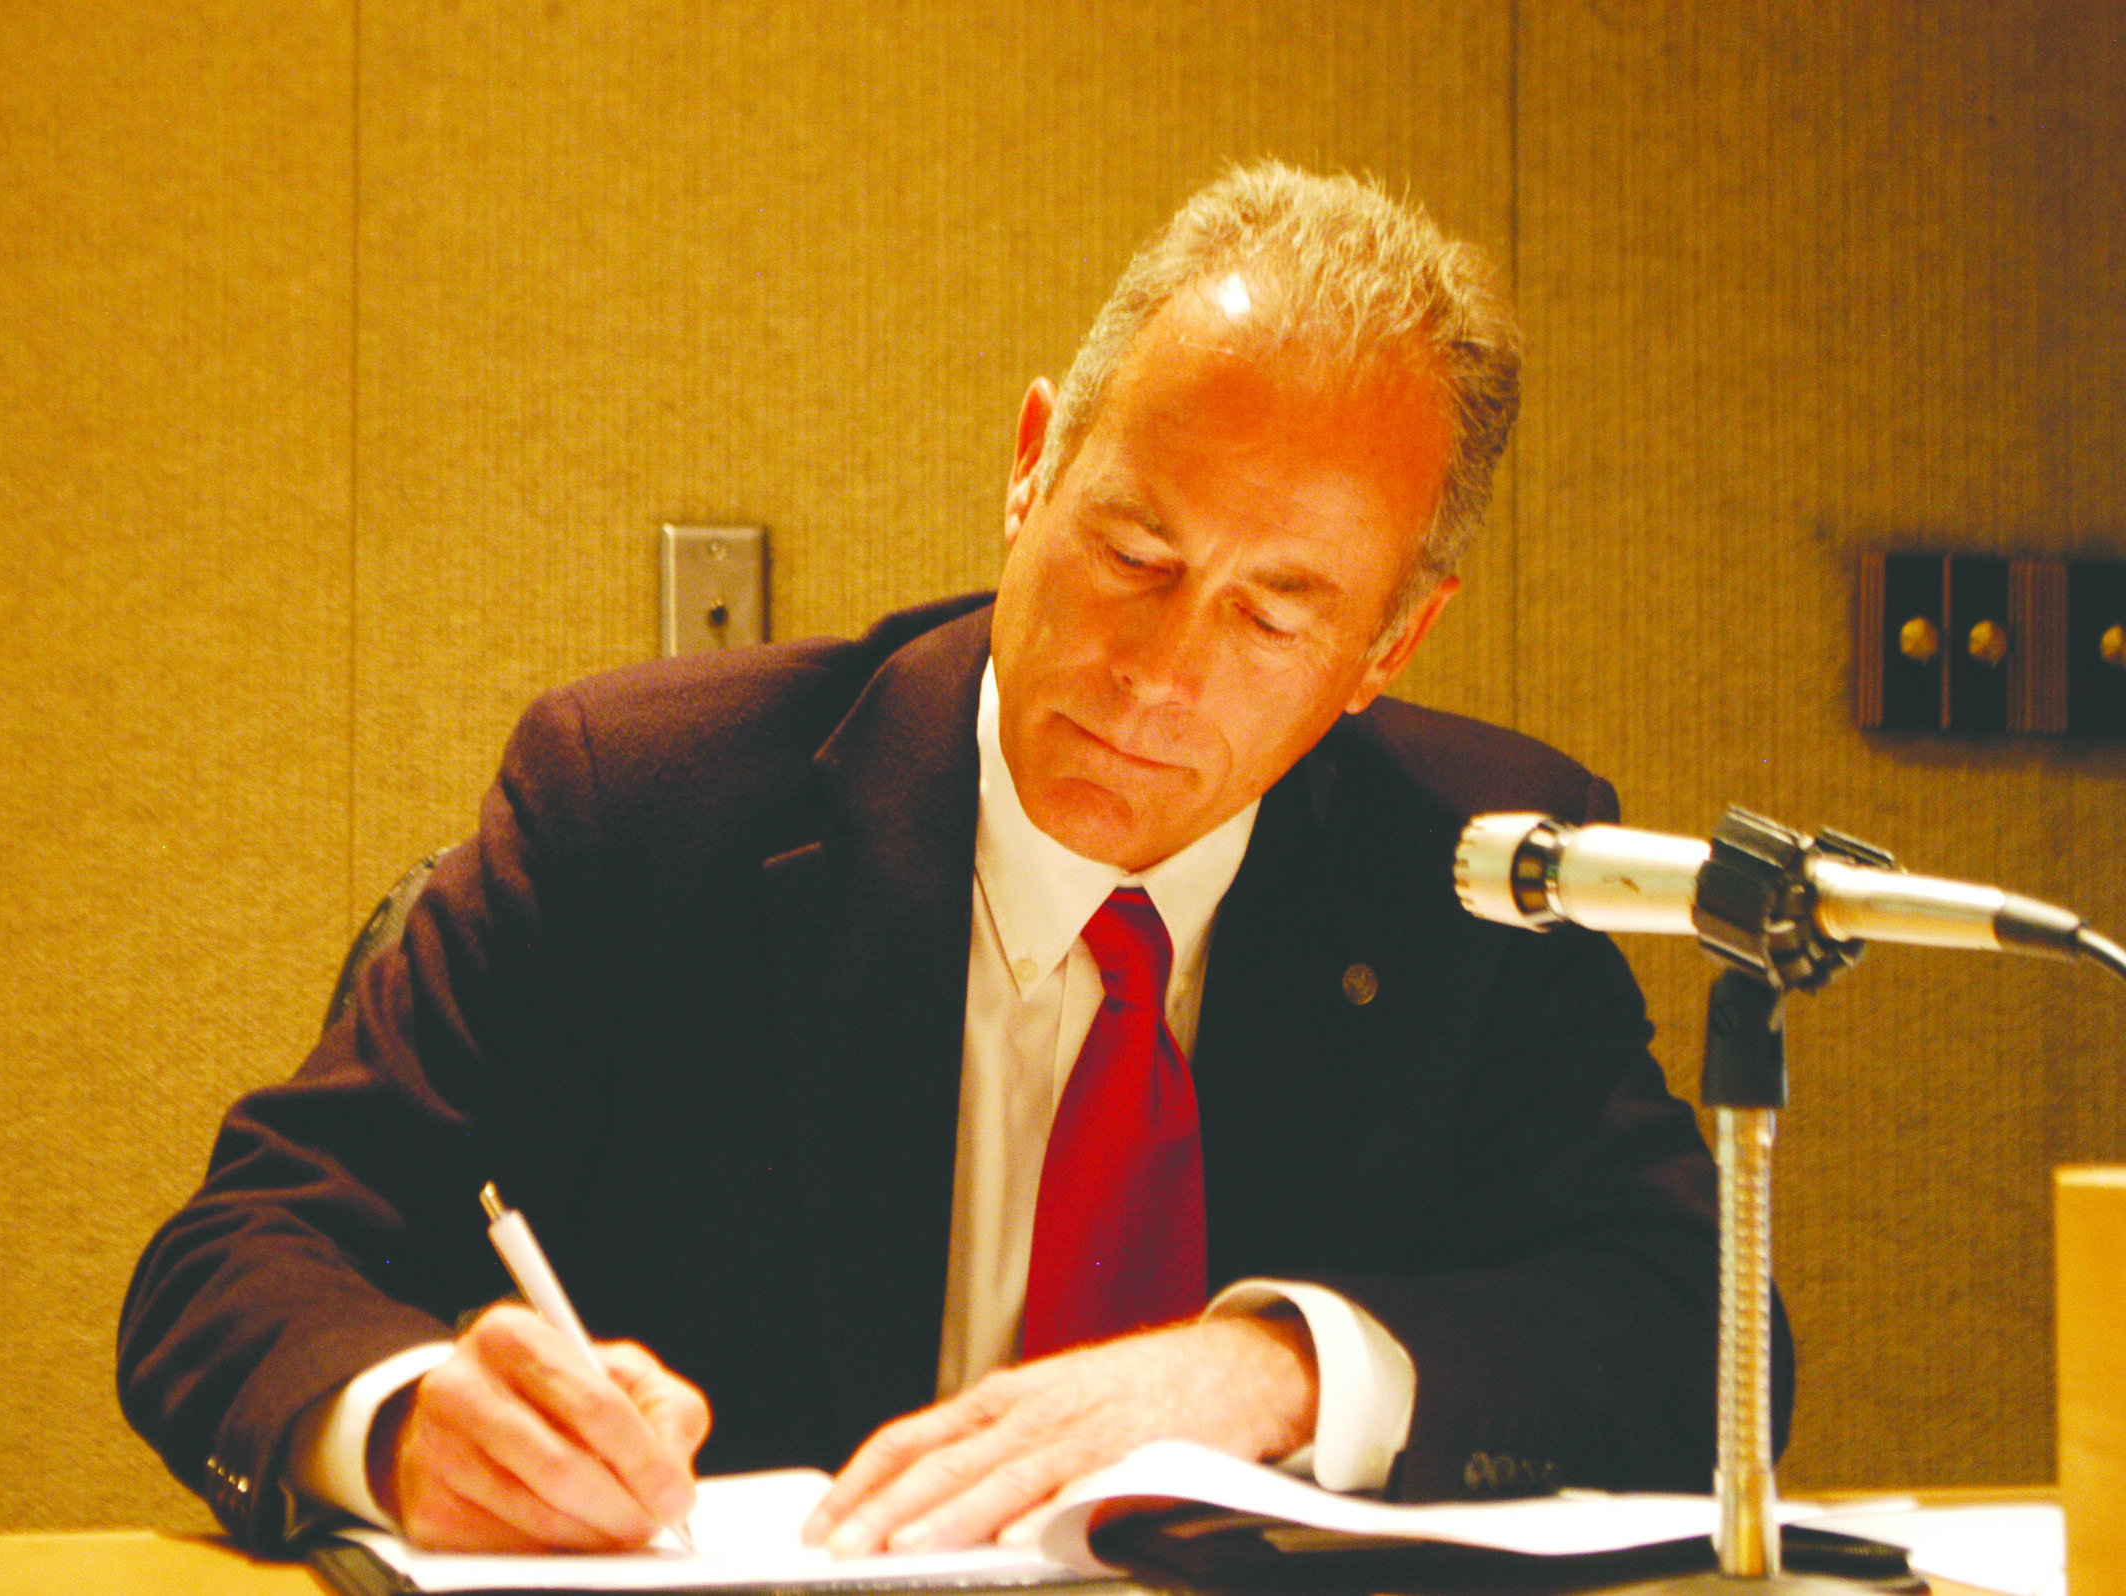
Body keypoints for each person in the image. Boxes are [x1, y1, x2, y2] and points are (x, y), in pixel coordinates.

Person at [119, 161, 1786, 1558]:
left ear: (1389, 646)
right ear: (1029, 467)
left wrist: (1269, 1373)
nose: (1160, 671)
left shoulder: (1479, 878)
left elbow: (1705, 1346)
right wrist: (409, 1425)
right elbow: (240, 1254)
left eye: (1277, 613)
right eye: (1134, 551)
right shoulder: (648, 808)